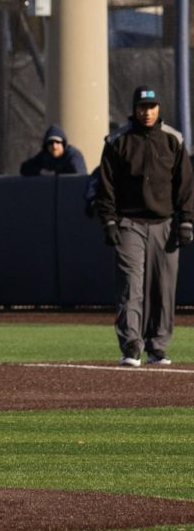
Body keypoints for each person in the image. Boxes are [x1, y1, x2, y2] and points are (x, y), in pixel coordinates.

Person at [94, 85, 194, 367]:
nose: (146, 112)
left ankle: (158, 347)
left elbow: (185, 186)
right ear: (134, 109)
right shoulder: (118, 141)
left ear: (158, 108)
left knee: (164, 288)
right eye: (142, 107)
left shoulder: (173, 140)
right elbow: (106, 186)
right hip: (129, 223)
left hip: (165, 224)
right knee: (130, 286)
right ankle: (131, 347)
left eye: (151, 107)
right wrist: (110, 221)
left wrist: (186, 221)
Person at [19, 124, 87, 176]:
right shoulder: (45, 156)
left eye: (57, 142)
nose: (54, 146)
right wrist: (42, 171)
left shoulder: (73, 155)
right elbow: (25, 168)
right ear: (46, 146)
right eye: (50, 143)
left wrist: (56, 173)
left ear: (63, 144)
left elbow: (80, 176)